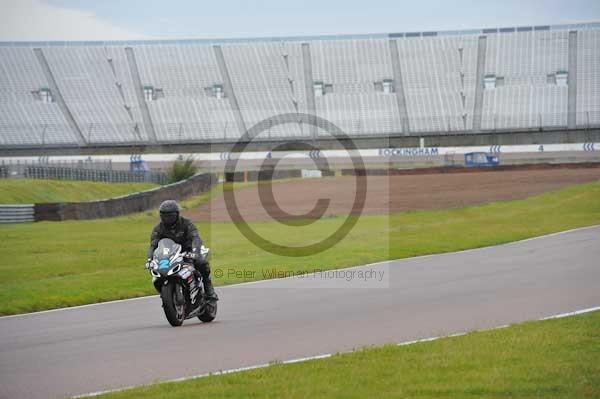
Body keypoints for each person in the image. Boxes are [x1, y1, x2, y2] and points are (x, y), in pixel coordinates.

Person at [146, 200, 218, 301]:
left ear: (177, 214)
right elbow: (153, 245)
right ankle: (168, 295)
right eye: (164, 216)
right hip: (170, 254)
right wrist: (149, 259)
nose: (167, 219)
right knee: (158, 273)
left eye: (170, 216)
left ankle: (208, 288)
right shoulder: (158, 229)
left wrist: (195, 252)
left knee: (201, 262)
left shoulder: (186, 223)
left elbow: (195, 238)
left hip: (188, 251)